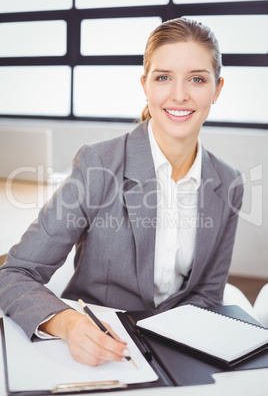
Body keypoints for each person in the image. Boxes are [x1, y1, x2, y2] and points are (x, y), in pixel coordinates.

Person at [0, 18, 243, 367]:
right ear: (145, 85)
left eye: (197, 79)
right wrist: (67, 323)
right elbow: (14, 274)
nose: (179, 94)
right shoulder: (98, 164)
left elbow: (207, 293)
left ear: (217, 89)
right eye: (163, 77)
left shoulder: (229, 183)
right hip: (95, 347)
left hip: (175, 353)